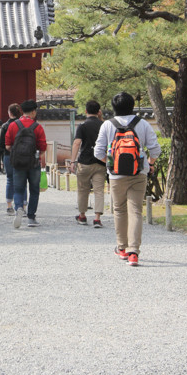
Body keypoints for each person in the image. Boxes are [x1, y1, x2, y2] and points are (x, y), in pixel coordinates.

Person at [93, 91, 162, 266]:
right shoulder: (143, 124)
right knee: (136, 211)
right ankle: (133, 253)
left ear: (114, 107)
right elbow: (155, 150)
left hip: (116, 176)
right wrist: (150, 163)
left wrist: (110, 164)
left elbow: (98, 152)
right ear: (132, 105)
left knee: (119, 210)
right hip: (139, 173)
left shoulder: (107, 125)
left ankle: (122, 248)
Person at [5, 100, 47, 228]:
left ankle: (18, 208)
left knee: (18, 189)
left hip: (18, 163)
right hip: (33, 163)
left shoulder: (13, 126)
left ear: (22, 111)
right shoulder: (37, 127)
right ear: (34, 111)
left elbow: (7, 145)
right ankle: (31, 218)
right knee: (34, 190)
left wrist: (17, 152)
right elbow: (43, 147)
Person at [68, 100, 106, 228]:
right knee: (99, 190)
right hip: (101, 162)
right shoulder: (104, 125)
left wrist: (72, 161)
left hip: (84, 162)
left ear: (85, 111)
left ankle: (82, 216)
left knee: (83, 190)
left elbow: (77, 143)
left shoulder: (82, 125)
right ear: (99, 111)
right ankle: (97, 218)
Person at [0, 103, 22, 215]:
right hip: (21, 154)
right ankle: (22, 205)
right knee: (22, 180)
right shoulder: (22, 124)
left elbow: (1, 144)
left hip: (8, 154)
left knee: (10, 179)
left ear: (9, 113)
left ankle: (9, 206)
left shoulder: (5, 126)